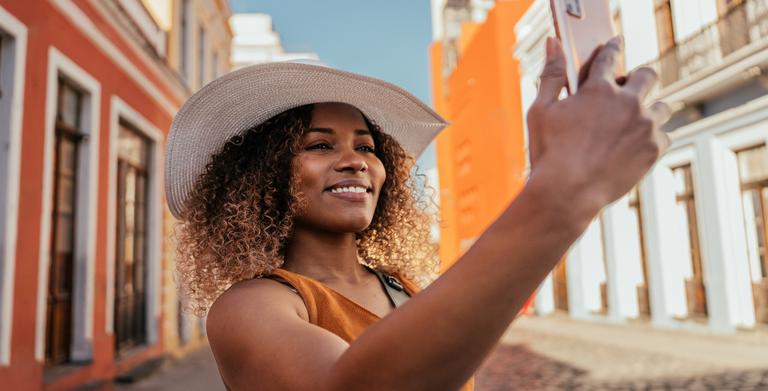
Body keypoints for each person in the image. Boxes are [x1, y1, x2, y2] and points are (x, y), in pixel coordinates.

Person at [164, 35, 670, 391]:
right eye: (320, 144)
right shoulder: (248, 307)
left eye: (367, 146)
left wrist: (550, 184)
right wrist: (561, 193)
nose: (356, 160)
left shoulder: (403, 289)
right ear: (262, 175)